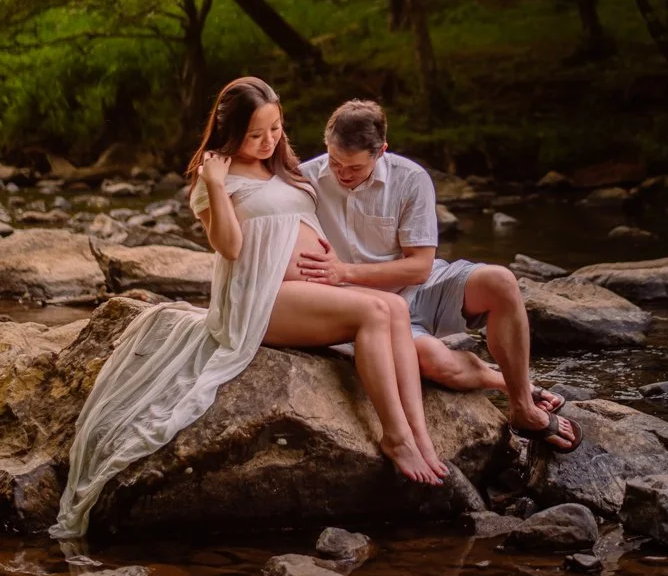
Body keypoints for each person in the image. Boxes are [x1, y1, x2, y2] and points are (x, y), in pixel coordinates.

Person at [51, 79, 445, 539]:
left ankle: (419, 435)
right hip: (260, 296)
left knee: (394, 308)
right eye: (256, 134)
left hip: (304, 291)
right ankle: (394, 436)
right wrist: (216, 186)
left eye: (275, 128)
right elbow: (231, 247)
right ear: (231, 131)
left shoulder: (282, 164)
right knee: (374, 314)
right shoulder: (213, 177)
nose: (269, 140)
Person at [299, 100, 582, 454]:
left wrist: (345, 270)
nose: (342, 173)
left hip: (423, 286)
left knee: (501, 281)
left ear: (382, 151)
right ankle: (501, 380)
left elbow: (420, 267)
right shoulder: (305, 179)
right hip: (367, 309)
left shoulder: (410, 178)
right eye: (335, 162)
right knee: (435, 362)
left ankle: (523, 406)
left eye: (354, 167)